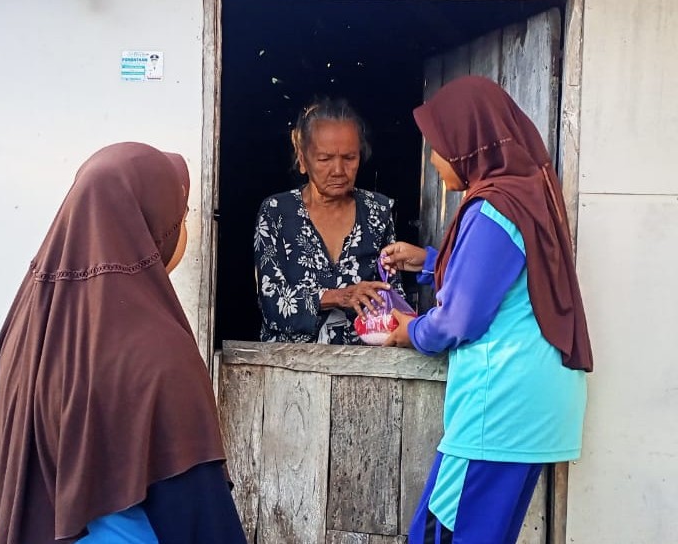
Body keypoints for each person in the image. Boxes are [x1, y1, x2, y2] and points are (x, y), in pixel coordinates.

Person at [0, 142, 247, 544]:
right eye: (182, 216)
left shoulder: (24, 328)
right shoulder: (158, 356)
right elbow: (201, 520)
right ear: (151, 224)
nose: (185, 230)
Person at [380, 76, 593, 544]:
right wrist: (429, 261)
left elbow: (460, 319)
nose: (433, 160)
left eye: (438, 146)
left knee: (439, 536)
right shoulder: (527, 194)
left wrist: (410, 331)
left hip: (498, 409)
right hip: (537, 405)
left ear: (467, 143)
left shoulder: (495, 207)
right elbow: (508, 276)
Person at [254, 97, 404, 344]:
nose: (338, 170)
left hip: (363, 362)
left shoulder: (378, 211)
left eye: (349, 158)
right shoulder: (276, 212)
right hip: (288, 361)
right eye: (325, 159)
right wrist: (339, 297)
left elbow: (393, 295)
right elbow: (271, 303)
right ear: (303, 160)